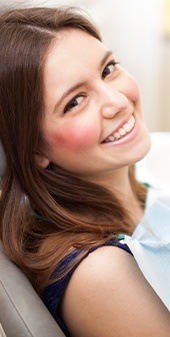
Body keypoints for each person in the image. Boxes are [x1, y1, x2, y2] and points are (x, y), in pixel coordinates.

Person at [0, 6, 170, 337]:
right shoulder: (100, 273)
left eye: (108, 69)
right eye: (75, 101)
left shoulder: (144, 181)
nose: (117, 101)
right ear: (35, 149)